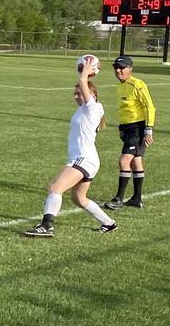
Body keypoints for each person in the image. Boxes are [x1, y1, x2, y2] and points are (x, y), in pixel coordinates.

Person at [24, 55, 118, 238]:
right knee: (79, 198)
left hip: (84, 158)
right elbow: (82, 84)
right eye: (75, 93)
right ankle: (109, 223)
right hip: (84, 159)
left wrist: (87, 70)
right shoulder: (82, 110)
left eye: (80, 93)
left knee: (55, 188)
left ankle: (47, 226)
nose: (77, 95)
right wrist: (85, 75)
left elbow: (83, 81)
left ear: (92, 95)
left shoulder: (94, 108)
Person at [103, 55, 157, 211]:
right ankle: (136, 199)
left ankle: (118, 199)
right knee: (136, 161)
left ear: (130, 69)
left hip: (138, 128)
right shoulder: (120, 85)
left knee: (124, 161)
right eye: (116, 68)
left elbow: (150, 107)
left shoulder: (137, 85)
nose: (118, 70)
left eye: (121, 68)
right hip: (128, 128)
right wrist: (121, 127)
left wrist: (148, 130)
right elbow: (124, 109)